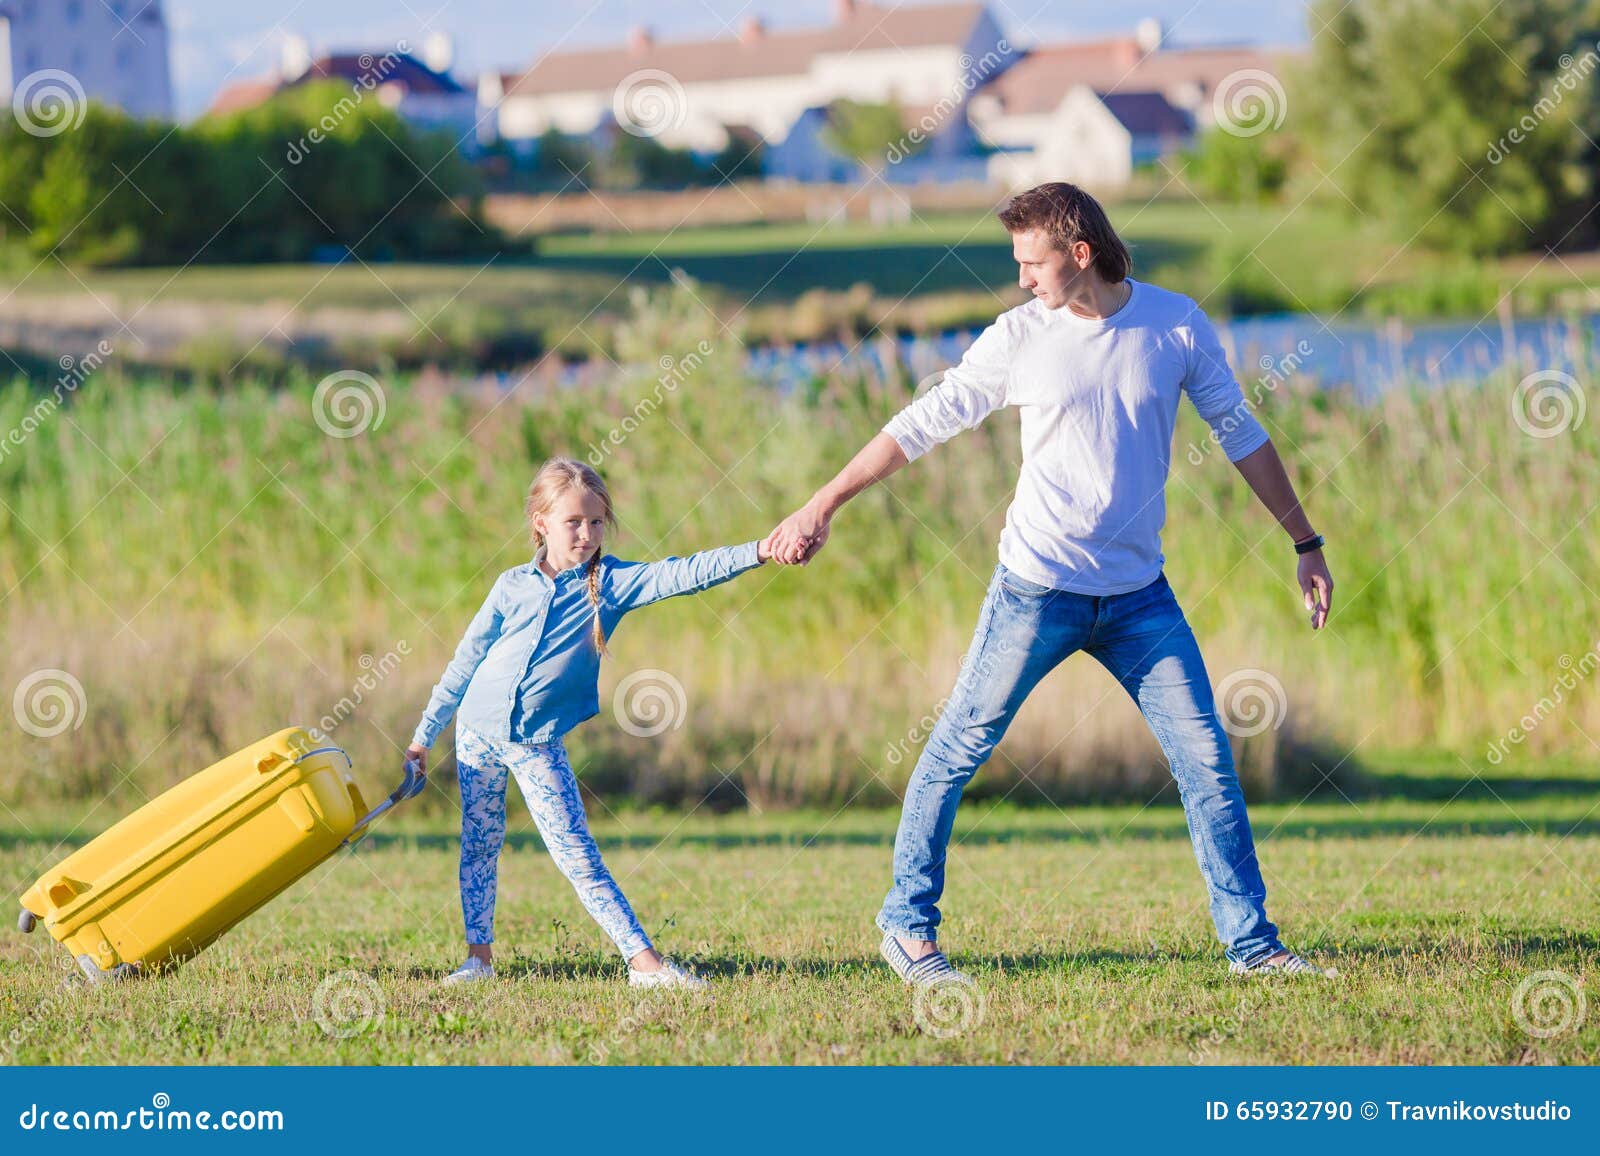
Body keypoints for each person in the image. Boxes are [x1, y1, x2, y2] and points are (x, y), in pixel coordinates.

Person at [768, 182, 1337, 986]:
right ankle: (906, 927)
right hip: (1036, 591)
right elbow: (921, 423)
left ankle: (1252, 946)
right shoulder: (1019, 336)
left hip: (1141, 597)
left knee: (1207, 759)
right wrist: (824, 502)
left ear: (1080, 254)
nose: (1023, 279)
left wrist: (1304, 541)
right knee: (958, 747)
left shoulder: (1173, 323)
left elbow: (1240, 433)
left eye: (1032, 263)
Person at [407, 457, 772, 987]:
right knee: (479, 846)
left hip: (535, 744)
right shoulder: (511, 586)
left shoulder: (614, 583)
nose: (586, 533)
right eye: (573, 522)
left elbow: (685, 573)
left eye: (596, 521)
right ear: (541, 522)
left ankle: (644, 966)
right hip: (475, 735)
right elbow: (465, 662)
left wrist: (759, 551)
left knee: (577, 855)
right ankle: (478, 961)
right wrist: (422, 738)